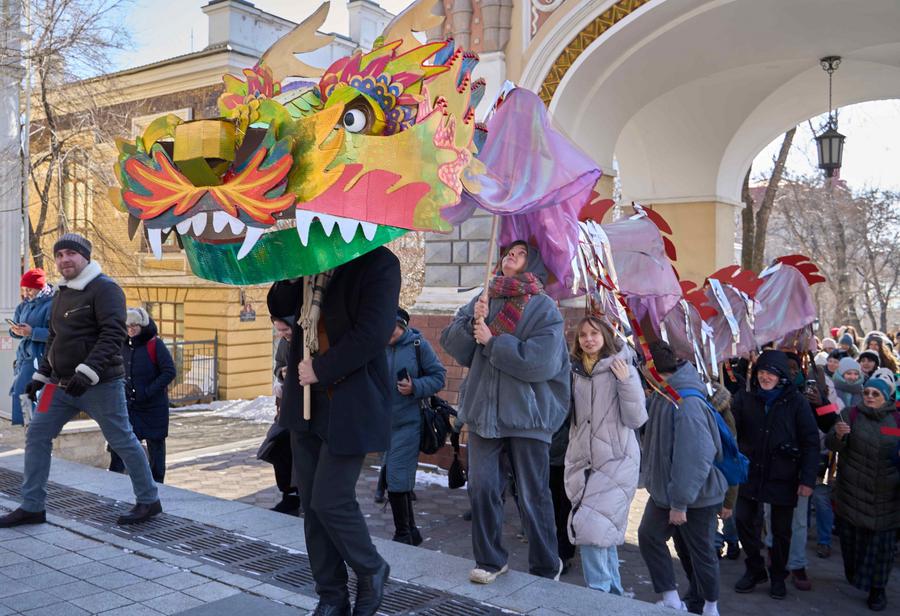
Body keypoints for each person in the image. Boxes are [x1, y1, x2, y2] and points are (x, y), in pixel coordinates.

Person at [270, 246, 401, 616]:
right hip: (305, 403)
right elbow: (279, 301)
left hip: (350, 402)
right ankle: (331, 596)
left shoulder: (380, 263)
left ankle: (371, 567)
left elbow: (373, 334)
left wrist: (322, 369)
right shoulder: (311, 255)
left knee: (331, 499)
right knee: (312, 507)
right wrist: (293, 269)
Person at [0, 233, 161, 528]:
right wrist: (41, 375)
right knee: (36, 434)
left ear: (85, 256)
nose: (64, 260)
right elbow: (54, 338)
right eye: (59, 255)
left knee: (121, 439)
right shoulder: (62, 292)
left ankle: (149, 500)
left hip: (100, 385)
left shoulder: (105, 289)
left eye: (71, 254)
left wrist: (87, 372)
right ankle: (32, 506)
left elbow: (113, 334)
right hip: (58, 386)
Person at [440, 240, 570, 584]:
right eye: (509, 251)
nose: (512, 254)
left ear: (533, 265)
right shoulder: (485, 298)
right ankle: (490, 560)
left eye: (522, 252)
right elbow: (456, 347)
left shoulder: (544, 308)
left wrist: (494, 341)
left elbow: (540, 363)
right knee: (481, 488)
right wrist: (472, 319)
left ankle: (546, 564)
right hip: (485, 414)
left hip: (528, 417)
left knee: (532, 494)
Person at [638, 341, 727, 616]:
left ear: (651, 369)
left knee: (700, 553)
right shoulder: (665, 395)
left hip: (694, 496)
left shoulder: (686, 403)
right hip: (667, 491)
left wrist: (680, 503)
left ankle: (711, 607)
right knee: (649, 535)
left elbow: (694, 456)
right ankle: (671, 599)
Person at [565, 316, 647, 594]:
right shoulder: (574, 371)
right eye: (583, 335)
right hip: (583, 460)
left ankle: (598, 597)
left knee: (591, 530)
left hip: (617, 460)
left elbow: (636, 419)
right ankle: (615, 597)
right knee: (603, 534)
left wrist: (626, 383)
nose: (588, 339)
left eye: (594, 334)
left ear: (605, 337)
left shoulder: (621, 367)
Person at [731, 350, 819, 600]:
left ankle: (778, 575)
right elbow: (728, 424)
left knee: (781, 532)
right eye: (761, 372)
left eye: (770, 372)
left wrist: (807, 479)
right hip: (752, 472)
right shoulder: (746, 398)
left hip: (784, 474)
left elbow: (811, 441)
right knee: (743, 520)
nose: (765, 377)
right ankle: (755, 568)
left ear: (781, 375)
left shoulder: (797, 402)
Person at [826, 375, 900, 612]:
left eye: (875, 394)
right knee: (853, 545)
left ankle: (878, 591)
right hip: (852, 494)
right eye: (866, 393)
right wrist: (837, 435)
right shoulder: (850, 415)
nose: (869, 397)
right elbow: (832, 446)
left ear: (886, 397)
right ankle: (858, 577)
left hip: (887, 496)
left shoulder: (896, 421)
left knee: (882, 549)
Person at [384, 308, 446, 545]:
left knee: (397, 477)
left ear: (403, 326)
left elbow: (439, 376)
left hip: (409, 422)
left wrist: (415, 387)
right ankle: (412, 531)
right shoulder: (377, 345)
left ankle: (403, 534)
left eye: (392, 328)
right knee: (395, 475)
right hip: (384, 425)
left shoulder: (418, 345)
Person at [109, 307, 176, 484]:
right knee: (120, 443)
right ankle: (114, 479)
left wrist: (147, 391)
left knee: (156, 447)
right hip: (130, 406)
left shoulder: (155, 344)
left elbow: (169, 372)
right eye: (128, 326)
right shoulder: (122, 344)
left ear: (142, 325)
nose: (131, 329)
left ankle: (157, 485)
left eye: (134, 326)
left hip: (153, 407)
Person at [259, 309, 301, 515]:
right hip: (285, 406)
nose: (283, 334)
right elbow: (279, 366)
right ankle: (289, 494)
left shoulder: (306, 340)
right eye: (279, 331)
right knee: (278, 449)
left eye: (285, 329)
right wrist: (281, 374)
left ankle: (296, 496)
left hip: (305, 408)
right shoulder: (285, 342)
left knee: (295, 453)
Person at [8, 268, 54, 426]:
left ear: (40, 287)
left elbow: (58, 335)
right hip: (24, 357)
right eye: (24, 289)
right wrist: (16, 331)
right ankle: (30, 428)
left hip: (42, 359)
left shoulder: (53, 305)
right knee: (24, 394)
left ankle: (32, 428)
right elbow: (17, 331)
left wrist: (32, 332)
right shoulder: (24, 305)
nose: (26, 293)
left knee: (25, 393)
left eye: (29, 289)